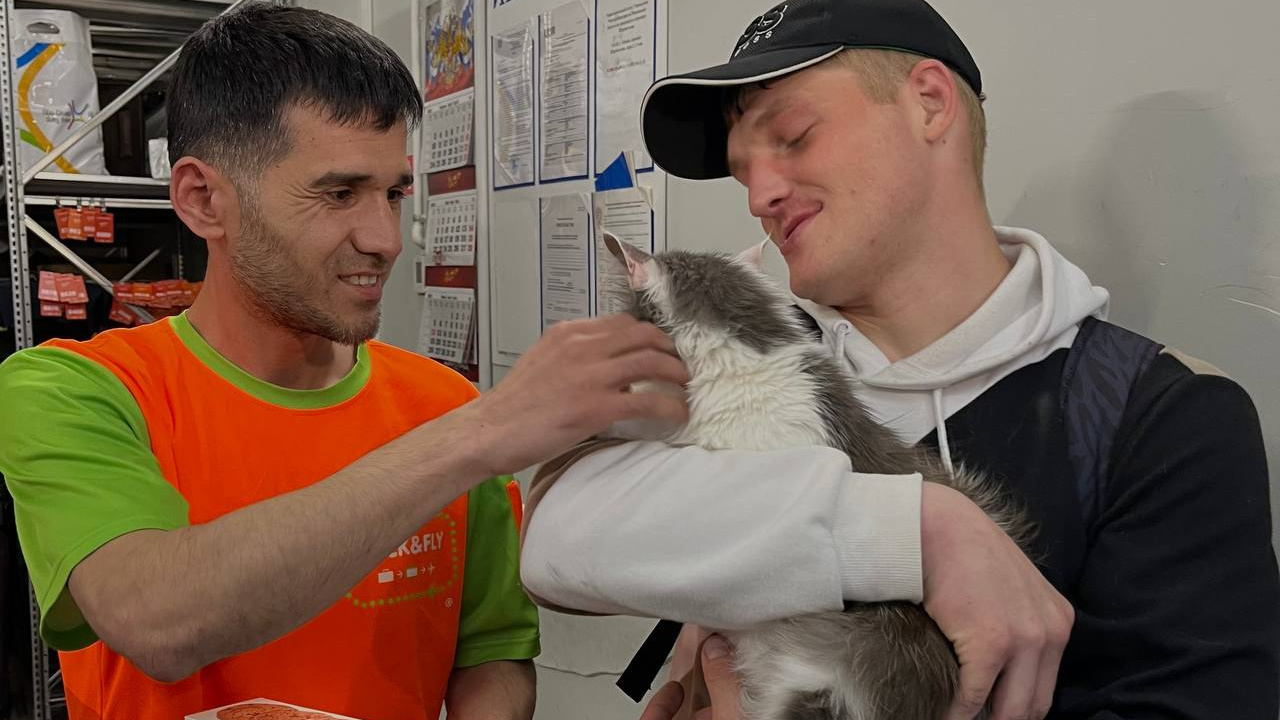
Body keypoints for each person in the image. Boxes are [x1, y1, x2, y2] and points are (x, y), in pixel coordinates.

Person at [520, 0, 1280, 718]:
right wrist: (917, 530)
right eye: (742, 169)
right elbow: (557, 536)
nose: (758, 195)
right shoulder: (743, 356)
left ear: (930, 103)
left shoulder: (1154, 417)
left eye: (792, 136)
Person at [0, 5, 688, 720]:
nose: (385, 239)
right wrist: (477, 437)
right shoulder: (78, 392)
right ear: (203, 201)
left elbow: (492, 651)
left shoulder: (442, 407)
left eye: (393, 193)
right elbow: (154, 620)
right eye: (338, 194)